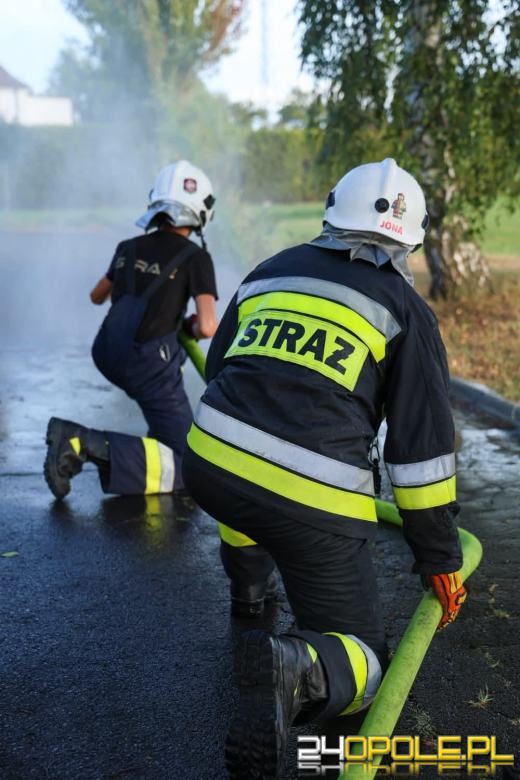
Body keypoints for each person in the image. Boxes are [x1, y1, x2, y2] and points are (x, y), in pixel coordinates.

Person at [182, 158, 467, 778]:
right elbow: (421, 459)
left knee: (245, 492)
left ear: (331, 215)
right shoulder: (407, 311)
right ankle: (298, 665)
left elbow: (223, 367)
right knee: (365, 658)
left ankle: (249, 590)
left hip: (209, 465)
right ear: (409, 241)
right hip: (309, 499)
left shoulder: (269, 272)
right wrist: (441, 559)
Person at [44, 160, 218, 500]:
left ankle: (155, 439)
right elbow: (208, 326)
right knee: (188, 466)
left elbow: (97, 297)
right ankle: (81, 442)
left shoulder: (127, 247)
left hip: (108, 352)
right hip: (147, 366)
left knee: (168, 426)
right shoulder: (196, 258)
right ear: (200, 211)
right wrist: (185, 328)